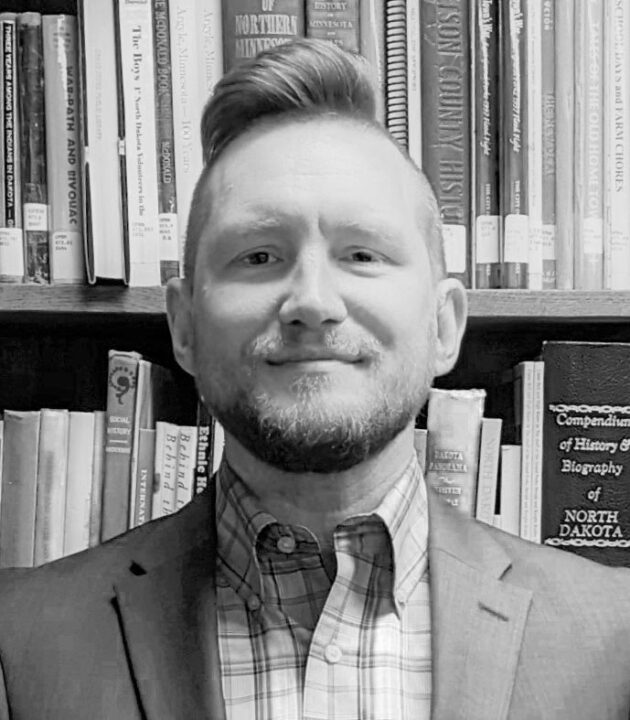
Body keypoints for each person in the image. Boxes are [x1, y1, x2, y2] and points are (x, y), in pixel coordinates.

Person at [0, 38, 629, 720]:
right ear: (184, 326)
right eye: (259, 256)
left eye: (362, 254)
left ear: (445, 324)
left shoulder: (614, 640)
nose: (313, 301)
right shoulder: (21, 640)